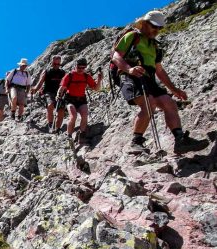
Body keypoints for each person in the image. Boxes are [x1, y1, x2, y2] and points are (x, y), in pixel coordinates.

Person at [112, 10, 209, 154]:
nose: (156, 30)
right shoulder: (132, 36)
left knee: (169, 103)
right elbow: (116, 56)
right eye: (154, 26)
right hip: (129, 75)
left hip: (148, 77)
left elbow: (159, 70)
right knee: (149, 103)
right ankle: (135, 142)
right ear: (144, 24)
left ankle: (180, 140)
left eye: (159, 28)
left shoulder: (155, 46)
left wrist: (175, 90)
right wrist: (129, 69)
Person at [55, 58, 102, 143]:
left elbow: (96, 88)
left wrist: (99, 80)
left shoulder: (86, 76)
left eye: (83, 68)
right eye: (79, 67)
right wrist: (58, 95)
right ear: (75, 66)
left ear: (85, 67)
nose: (81, 69)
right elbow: (62, 87)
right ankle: (69, 136)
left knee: (85, 115)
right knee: (73, 116)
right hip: (70, 99)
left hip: (81, 99)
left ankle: (82, 135)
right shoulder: (69, 75)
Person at [32, 55, 66, 133]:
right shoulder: (47, 71)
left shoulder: (62, 72)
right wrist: (35, 89)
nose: (57, 65)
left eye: (58, 64)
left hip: (59, 93)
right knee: (50, 105)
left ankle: (57, 128)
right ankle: (50, 125)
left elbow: (66, 83)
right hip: (48, 92)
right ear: (51, 63)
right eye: (55, 63)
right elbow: (40, 82)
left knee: (61, 109)